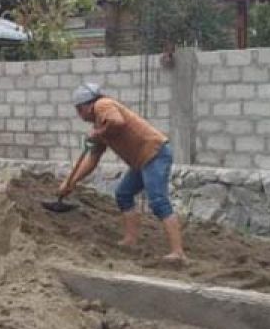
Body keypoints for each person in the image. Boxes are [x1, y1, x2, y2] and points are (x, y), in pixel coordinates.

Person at [58, 83, 187, 264]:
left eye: (79, 110)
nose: (79, 115)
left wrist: (98, 132)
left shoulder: (102, 105)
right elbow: (92, 160)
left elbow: (118, 122)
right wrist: (71, 181)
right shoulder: (99, 124)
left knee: (158, 201)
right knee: (123, 194)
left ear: (87, 105)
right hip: (141, 161)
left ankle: (178, 252)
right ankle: (130, 240)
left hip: (155, 153)